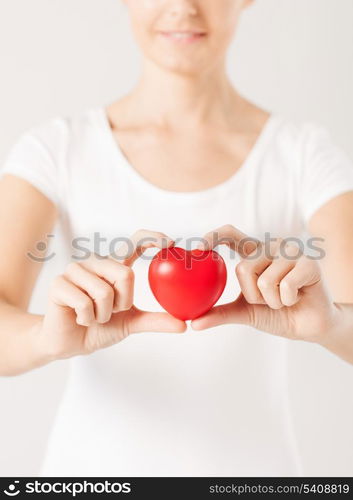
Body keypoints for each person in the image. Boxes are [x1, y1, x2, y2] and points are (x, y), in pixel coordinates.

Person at [0, 0, 353, 477]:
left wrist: (332, 323)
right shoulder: (55, 150)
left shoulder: (303, 154)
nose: (183, 7)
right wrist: (44, 337)